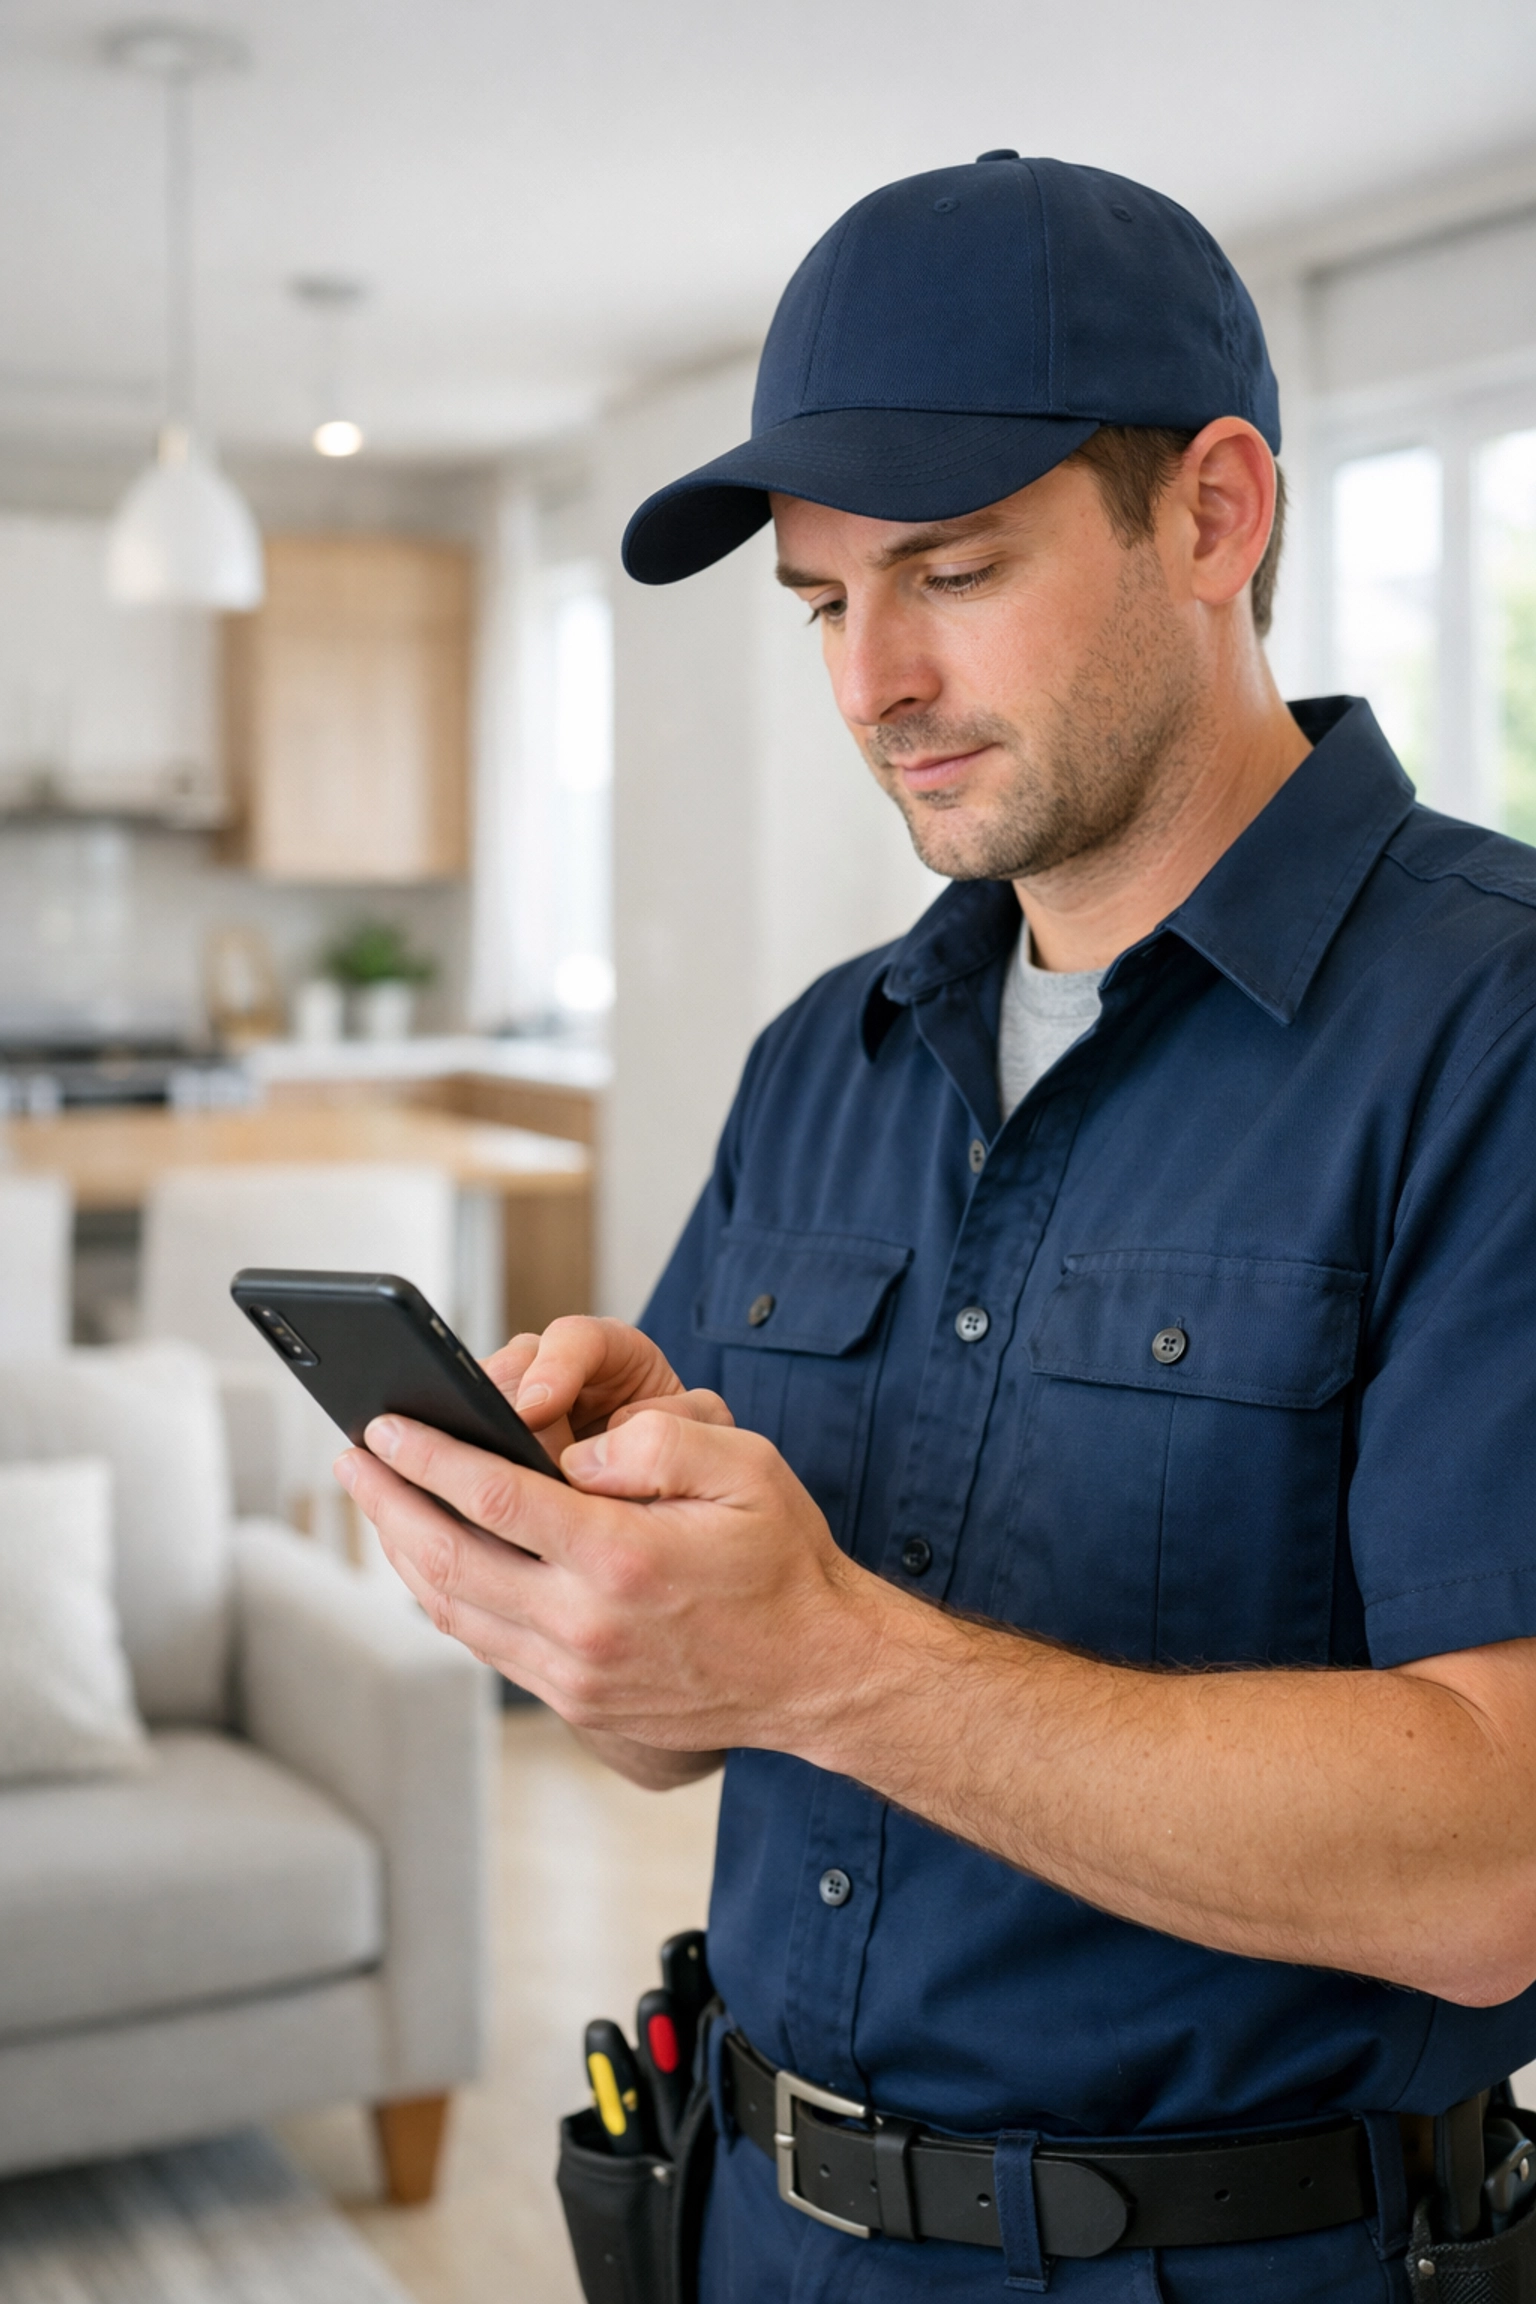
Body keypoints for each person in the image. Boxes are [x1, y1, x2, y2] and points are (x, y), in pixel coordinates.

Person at [337, 155, 1536, 2302]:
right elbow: (666, 1727)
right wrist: (588, 1574)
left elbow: (1500, 1864)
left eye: (953, 570)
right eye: (821, 601)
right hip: (748, 2227)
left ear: (1217, 514)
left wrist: (830, 1651)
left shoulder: (1494, 1032)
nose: (872, 678)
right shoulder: (830, 1054)